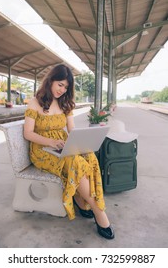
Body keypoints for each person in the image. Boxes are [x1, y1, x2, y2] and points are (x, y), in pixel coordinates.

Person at [24, 64, 114, 240]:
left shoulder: (66, 104)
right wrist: (51, 141)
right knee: (76, 162)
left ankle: (81, 199)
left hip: (61, 145)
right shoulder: (35, 102)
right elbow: (28, 133)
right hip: (42, 150)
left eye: (66, 87)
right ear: (50, 80)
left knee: (90, 157)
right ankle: (98, 211)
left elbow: (71, 129)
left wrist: (80, 143)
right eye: (60, 84)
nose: (62, 90)